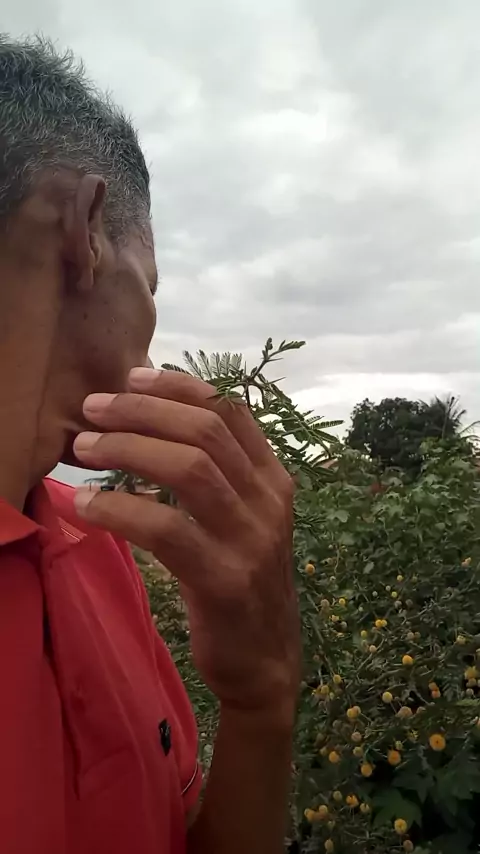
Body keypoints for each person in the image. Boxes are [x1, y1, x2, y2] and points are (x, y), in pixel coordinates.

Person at [0, 35, 300, 854]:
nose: (151, 336)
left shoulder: (95, 541)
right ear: (85, 231)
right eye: (152, 285)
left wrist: (262, 701)